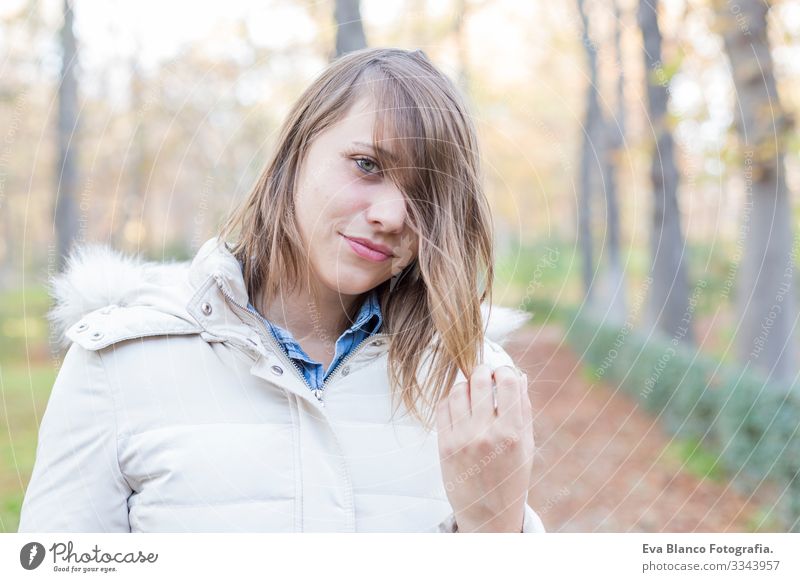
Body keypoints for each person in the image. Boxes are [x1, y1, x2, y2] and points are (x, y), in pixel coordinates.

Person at [18, 47, 545, 533]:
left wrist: (495, 531)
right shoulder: (119, 361)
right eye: (366, 165)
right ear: (296, 149)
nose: (390, 216)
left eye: (425, 196)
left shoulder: (471, 386)